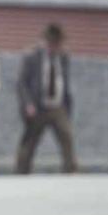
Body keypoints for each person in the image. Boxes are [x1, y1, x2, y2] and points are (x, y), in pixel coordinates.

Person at [16, 23, 77, 174]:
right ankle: (21, 172)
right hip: (38, 106)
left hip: (57, 105)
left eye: (57, 45)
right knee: (30, 141)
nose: (54, 48)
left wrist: (67, 103)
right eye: (51, 44)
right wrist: (28, 104)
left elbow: (64, 80)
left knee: (66, 136)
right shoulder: (32, 57)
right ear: (45, 42)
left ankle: (71, 171)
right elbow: (21, 83)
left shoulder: (63, 57)